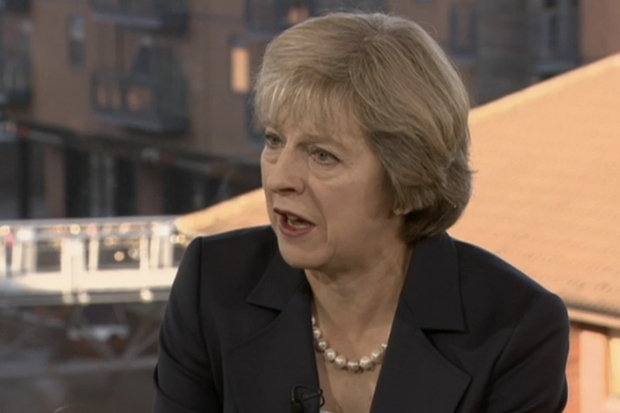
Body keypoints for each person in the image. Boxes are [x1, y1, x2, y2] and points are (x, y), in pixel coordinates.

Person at [153, 12, 569, 413]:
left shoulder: (515, 328)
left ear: (407, 183)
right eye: (274, 140)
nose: (280, 178)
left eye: (322, 155)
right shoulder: (214, 285)